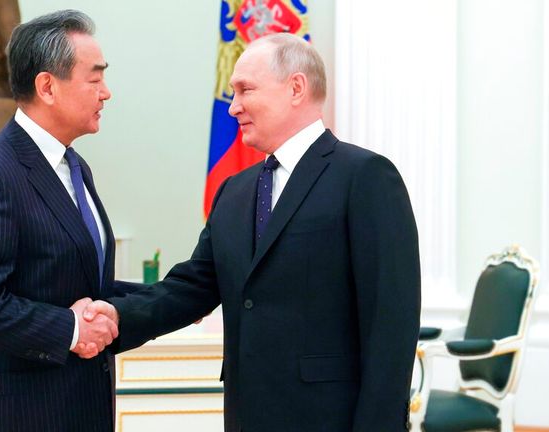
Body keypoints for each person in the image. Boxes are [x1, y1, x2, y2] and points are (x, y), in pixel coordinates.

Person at [88, 33, 421, 431]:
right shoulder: (235, 190)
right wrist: (114, 316)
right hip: (248, 415)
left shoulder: (365, 177)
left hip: (330, 417)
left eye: (245, 90)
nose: (233, 108)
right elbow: (193, 287)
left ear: (296, 88)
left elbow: (391, 323)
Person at [0, 10, 123, 432]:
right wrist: (70, 328)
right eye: (95, 80)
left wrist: (176, 296)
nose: (107, 93)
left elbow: (82, 280)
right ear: (47, 87)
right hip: (23, 413)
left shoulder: (73, 166)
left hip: (81, 406)